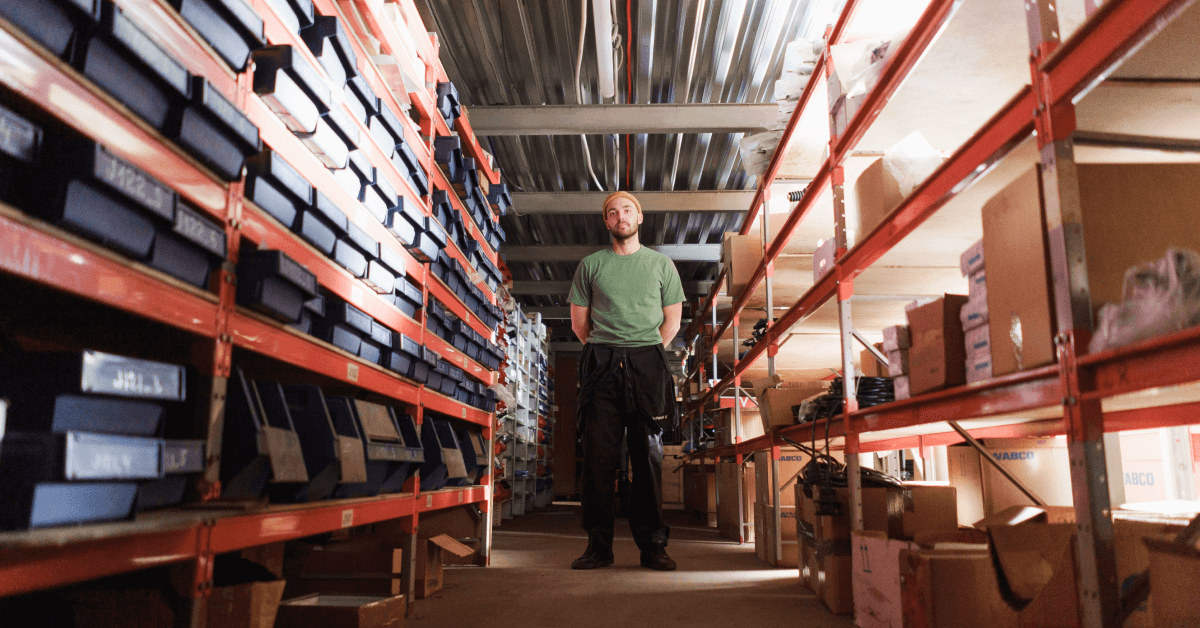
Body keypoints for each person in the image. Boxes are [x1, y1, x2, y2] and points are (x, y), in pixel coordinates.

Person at [567, 191, 684, 571]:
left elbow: (672, 321)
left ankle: (653, 547)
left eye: (627, 210)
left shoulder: (661, 265)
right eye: (613, 212)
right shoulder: (590, 265)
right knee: (598, 460)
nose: (621, 216)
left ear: (639, 217)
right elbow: (580, 324)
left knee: (647, 458)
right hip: (601, 363)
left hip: (647, 363)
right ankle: (598, 546)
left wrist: (641, 351)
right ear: (607, 221)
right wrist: (608, 351)